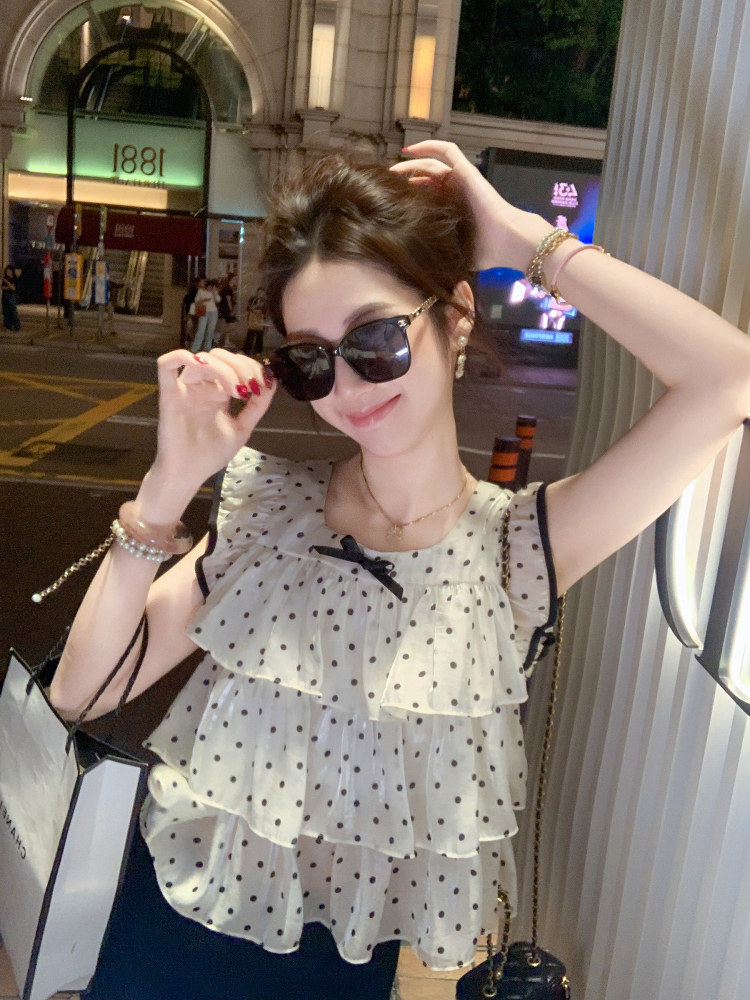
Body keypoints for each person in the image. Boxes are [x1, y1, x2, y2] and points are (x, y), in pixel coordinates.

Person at [47, 141, 750, 1000]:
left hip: (338, 965)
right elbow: (79, 693)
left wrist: (522, 239)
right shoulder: (271, 510)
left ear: (457, 317)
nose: (347, 385)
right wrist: (166, 488)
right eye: (311, 360)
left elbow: (728, 379)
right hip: (169, 928)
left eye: (376, 339)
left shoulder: (518, 545)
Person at [189, 277, 220, 353]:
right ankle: (195, 347)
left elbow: (218, 300)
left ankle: (207, 347)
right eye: (209, 286)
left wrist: (214, 293)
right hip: (203, 310)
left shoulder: (214, 291)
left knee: (210, 330)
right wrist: (203, 300)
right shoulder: (201, 291)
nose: (210, 288)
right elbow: (196, 301)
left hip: (213, 312)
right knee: (201, 330)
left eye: (212, 286)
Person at [243, 287, 267, 356]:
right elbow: (248, 307)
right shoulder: (253, 299)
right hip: (253, 319)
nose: (260, 294)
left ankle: (258, 351)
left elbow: (265, 310)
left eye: (261, 293)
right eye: (259, 292)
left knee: (260, 336)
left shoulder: (264, 301)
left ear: (263, 293)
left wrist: (259, 310)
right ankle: (247, 350)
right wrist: (255, 306)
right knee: (250, 335)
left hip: (260, 319)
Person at [2, 264, 21, 331]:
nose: (8, 273)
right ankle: (8, 326)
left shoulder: (14, 279)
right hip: (5, 296)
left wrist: (7, 283)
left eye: (9, 271)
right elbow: (2, 287)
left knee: (13, 311)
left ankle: (16, 326)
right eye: (7, 271)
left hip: (11, 296)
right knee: (5, 311)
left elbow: (13, 288)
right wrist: (8, 286)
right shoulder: (6, 278)